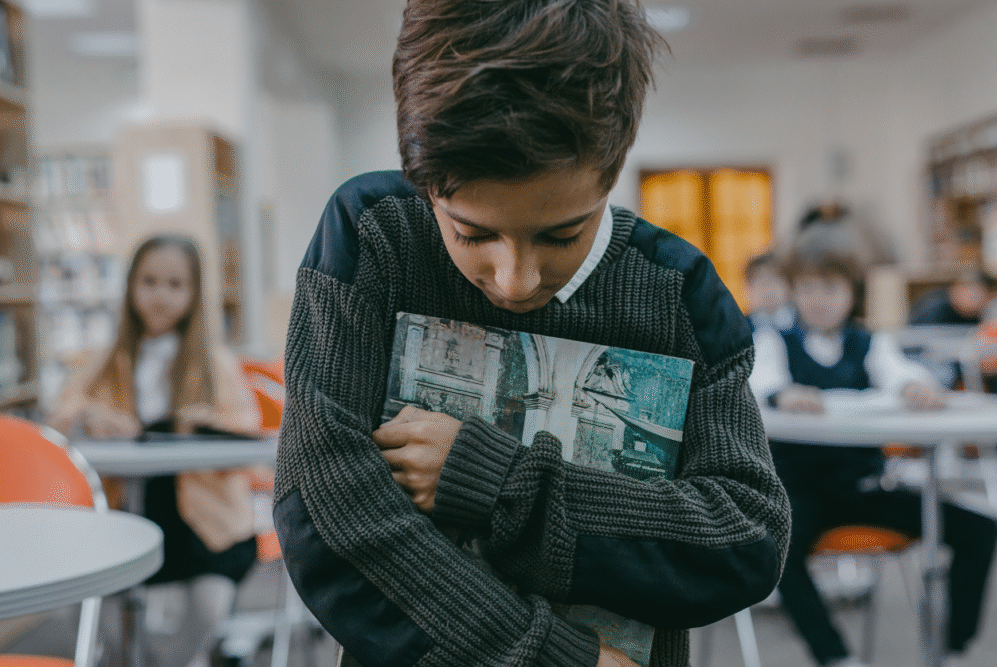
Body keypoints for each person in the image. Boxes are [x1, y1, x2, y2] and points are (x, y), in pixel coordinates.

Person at [272, 2, 791, 667]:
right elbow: (325, 514)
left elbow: (745, 539)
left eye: (561, 234)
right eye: (472, 233)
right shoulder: (376, 236)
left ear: (612, 168)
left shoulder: (679, 295)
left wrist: (497, 484)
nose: (515, 280)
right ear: (425, 183)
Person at [749, 225, 997, 667]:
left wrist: (915, 387)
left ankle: (952, 648)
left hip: (865, 487)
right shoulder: (774, 341)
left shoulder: (869, 342)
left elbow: (900, 372)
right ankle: (834, 656)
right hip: (800, 493)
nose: (818, 299)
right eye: (807, 288)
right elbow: (761, 381)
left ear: (852, 291)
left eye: (830, 288)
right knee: (774, 551)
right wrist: (782, 394)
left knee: (979, 528)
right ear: (793, 291)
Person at [48, 234, 262, 667]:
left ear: (194, 292)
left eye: (175, 284)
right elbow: (60, 419)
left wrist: (195, 424)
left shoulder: (214, 364)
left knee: (210, 609)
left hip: (202, 521)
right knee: (77, 606)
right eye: (148, 281)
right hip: (124, 512)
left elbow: (244, 431)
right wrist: (89, 417)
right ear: (130, 286)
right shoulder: (104, 362)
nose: (160, 295)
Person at [745, 251, 795, 332]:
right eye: (761, 285)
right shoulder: (742, 328)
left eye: (772, 282)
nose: (767, 291)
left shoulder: (802, 323)